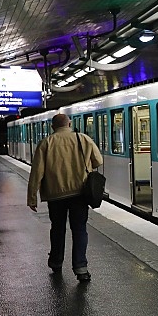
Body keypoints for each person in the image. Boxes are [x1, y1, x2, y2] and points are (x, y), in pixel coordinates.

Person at [27, 113, 103, 282]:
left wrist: (32, 197)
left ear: (52, 127)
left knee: (58, 229)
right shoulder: (83, 139)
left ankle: (56, 262)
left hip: (55, 195)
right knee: (79, 230)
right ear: (70, 123)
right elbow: (98, 161)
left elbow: (36, 172)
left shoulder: (46, 143)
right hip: (79, 193)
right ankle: (81, 268)